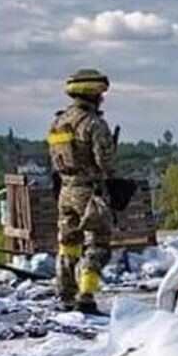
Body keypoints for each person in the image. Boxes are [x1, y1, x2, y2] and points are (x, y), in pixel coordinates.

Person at [47, 68, 117, 313]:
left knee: (68, 243)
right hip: (89, 192)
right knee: (98, 244)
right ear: (94, 93)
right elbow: (105, 163)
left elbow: (54, 159)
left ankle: (65, 296)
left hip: (65, 190)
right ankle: (86, 295)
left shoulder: (59, 122)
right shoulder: (93, 124)